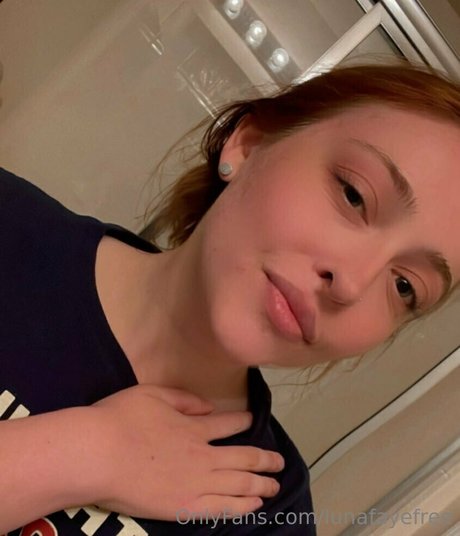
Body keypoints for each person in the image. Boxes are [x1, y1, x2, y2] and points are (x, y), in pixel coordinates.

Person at [1, 60, 460, 535]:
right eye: (354, 194)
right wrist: (87, 454)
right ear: (248, 144)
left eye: (405, 286)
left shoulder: (267, 515)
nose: (352, 284)